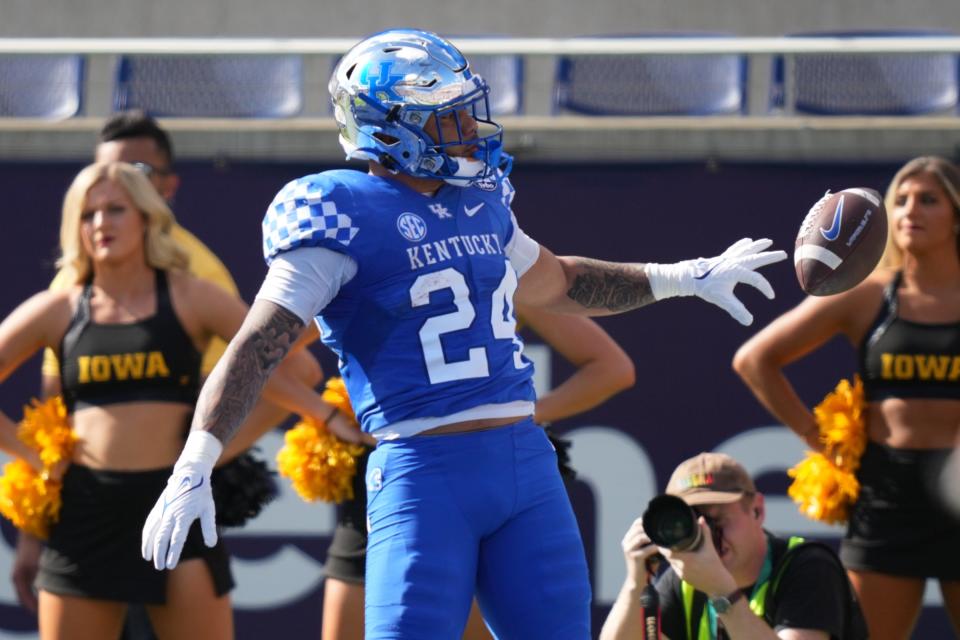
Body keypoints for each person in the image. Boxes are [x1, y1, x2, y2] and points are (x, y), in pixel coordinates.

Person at [141, 29, 787, 639]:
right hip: (423, 473)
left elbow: (560, 282)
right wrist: (195, 462)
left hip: (525, 463)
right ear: (391, 129)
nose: (468, 129)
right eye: (447, 116)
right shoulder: (336, 215)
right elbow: (258, 347)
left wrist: (680, 277)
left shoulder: (478, 203)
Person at [11, 111, 324, 630]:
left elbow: (275, 361)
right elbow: (51, 407)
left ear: (149, 214)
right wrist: (33, 470)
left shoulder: (193, 285)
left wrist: (218, 451)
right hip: (84, 510)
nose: (101, 224)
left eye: (116, 209)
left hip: (176, 494)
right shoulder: (62, 300)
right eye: (89, 214)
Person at [733, 156, 960, 639]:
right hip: (888, 495)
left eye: (928, 200)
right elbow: (754, 360)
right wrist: (817, 439)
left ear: (955, 215)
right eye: (900, 200)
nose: (909, 211)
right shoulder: (869, 295)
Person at [320, 303, 637, 640]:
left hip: (485, 474)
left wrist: (515, 415)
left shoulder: (499, 257)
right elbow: (280, 344)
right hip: (398, 476)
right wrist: (325, 415)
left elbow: (613, 368)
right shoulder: (360, 260)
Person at [600, 452, 865, 640]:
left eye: (717, 520)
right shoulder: (684, 582)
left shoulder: (808, 566)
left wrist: (720, 590)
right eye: (693, 523)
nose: (706, 534)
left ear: (757, 511)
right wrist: (636, 581)